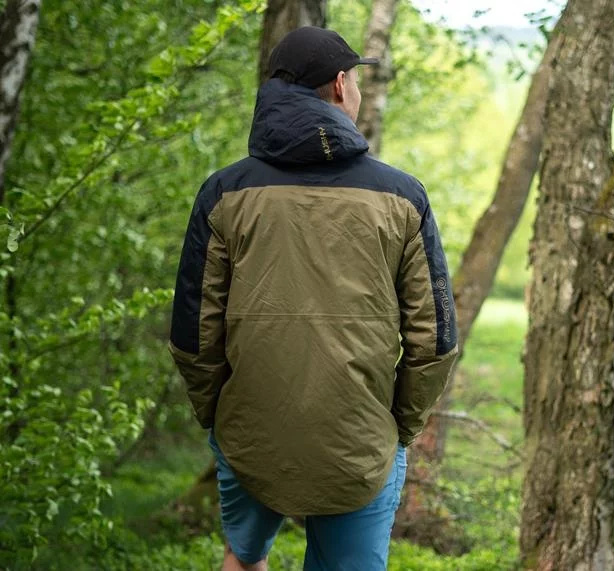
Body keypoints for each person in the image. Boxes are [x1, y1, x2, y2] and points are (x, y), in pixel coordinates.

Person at [168, 26, 458, 570]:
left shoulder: (224, 193)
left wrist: (220, 416)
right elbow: (435, 341)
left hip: (249, 432)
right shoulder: (402, 196)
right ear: (341, 85)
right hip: (361, 442)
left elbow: (193, 335)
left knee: (243, 559)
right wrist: (397, 427)